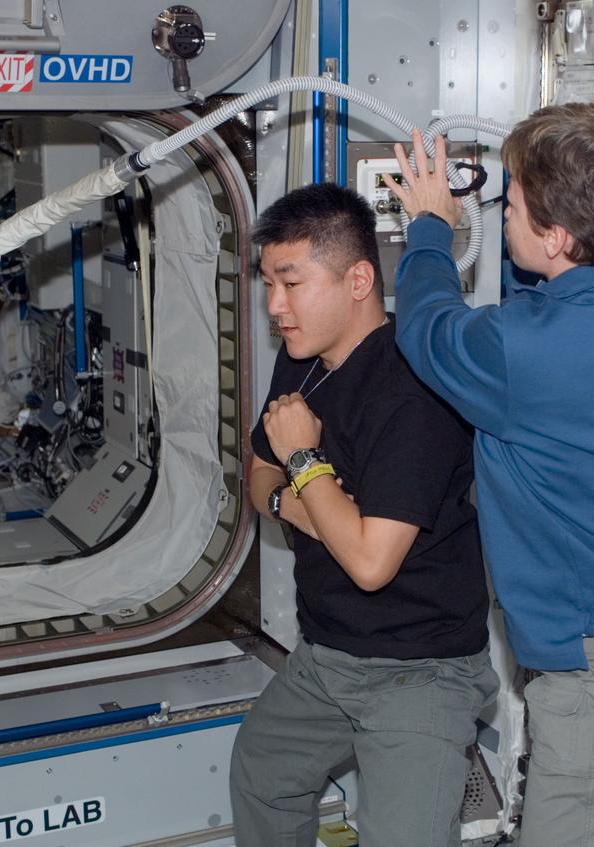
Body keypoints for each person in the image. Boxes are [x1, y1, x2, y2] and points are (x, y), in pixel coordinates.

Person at [384, 103, 594, 846]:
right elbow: (537, 302)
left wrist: (430, 227)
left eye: (515, 204)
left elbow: (426, 331)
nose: (503, 213)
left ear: (559, 236)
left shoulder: (525, 353)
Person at [229, 182, 498, 847]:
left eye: (291, 283)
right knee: (262, 775)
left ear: (357, 280)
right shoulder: (301, 362)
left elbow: (371, 563)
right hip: (328, 651)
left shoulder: (414, 388)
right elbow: (257, 471)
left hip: (419, 666)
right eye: (268, 284)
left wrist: (304, 459)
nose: (275, 306)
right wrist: (314, 508)